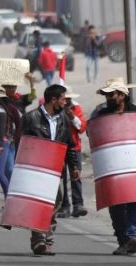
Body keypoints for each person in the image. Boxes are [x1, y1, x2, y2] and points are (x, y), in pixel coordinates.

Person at [19, 84, 80, 256]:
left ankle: (47, 238)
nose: (65, 102)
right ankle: (39, 240)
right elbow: (22, 145)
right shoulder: (31, 118)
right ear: (54, 100)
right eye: (62, 99)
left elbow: (69, 146)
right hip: (35, 170)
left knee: (55, 203)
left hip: (55, 170)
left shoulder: (63, 120)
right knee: (38, 204)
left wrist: (74, 166)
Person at [91, 78, 136, 255]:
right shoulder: (101, 114)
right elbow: (92, 132)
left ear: (122, 95)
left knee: (133, 199)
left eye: (111, 94)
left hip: (132, 163)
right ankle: (124, 239)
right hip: (111, 164)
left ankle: (133, 235)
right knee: (115, 202)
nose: (108, 97)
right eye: (106, 94)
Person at [57, 88, 88, 218]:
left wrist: (71, 116)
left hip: (75, 147)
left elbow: (81, 128)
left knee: (76, 176)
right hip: (60, 147)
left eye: (68, 99)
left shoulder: (76, 108)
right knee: (62, 178)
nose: (66, 102)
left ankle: (78, 204)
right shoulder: (55, 109)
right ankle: (64, 206)